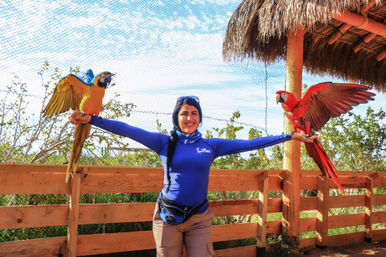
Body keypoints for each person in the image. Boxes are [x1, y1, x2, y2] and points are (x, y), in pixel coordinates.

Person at [69, 95, 317, 257]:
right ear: (177, 118)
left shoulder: (211, 145)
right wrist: (91, 119)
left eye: (194, 113)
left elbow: (250, 143)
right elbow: (127, 130)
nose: (189, 117)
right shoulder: (164, 143)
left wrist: (290, 136)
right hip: (167, 218)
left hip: (199, 218)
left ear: (199, 118)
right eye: (184, 113)